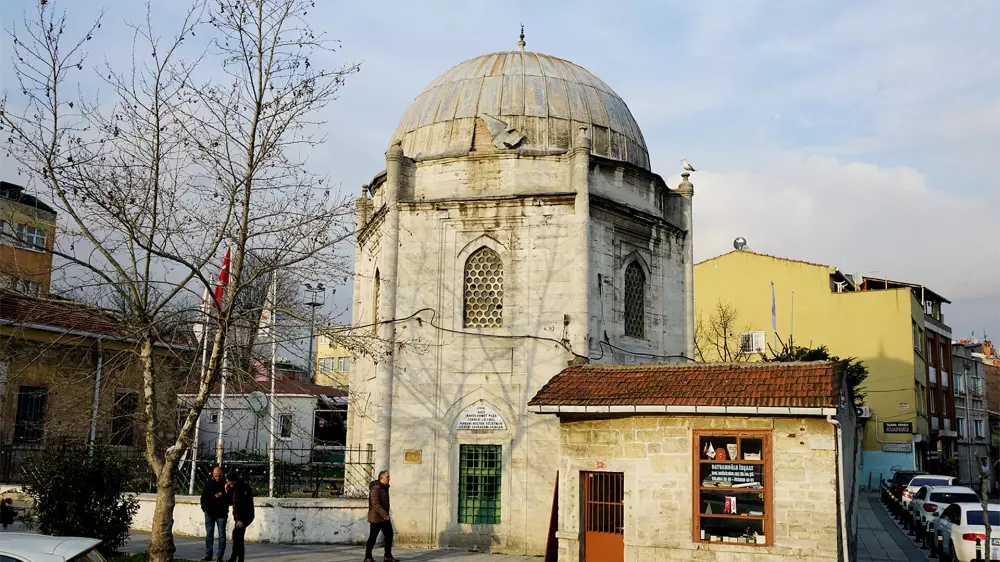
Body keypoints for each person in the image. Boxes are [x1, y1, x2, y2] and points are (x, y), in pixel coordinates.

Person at [365, 470, 397, 562]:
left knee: (389, 535)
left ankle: (388, 556)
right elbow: (375, 504)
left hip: (384, 517)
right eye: (387, 477)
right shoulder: (376, 488)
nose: (389, 478)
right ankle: (368, 557)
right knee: (373, 537)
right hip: (376, 518)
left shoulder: (384, 487)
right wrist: (385, 514)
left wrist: (385, 515)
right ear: (381, 478)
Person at [200, 466, 230, 562]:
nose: (217, 478)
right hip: (209, 512)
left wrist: (225, 492)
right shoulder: (209, 484)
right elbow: (204, 497)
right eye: (215, 476)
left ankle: (219, 556)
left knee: (222, 535)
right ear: (213, 475)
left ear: (222, 475)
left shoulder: (226, 484)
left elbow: (230, 499)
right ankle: (208, 554)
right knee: (209, 534)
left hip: (221, 513)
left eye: (219, 476)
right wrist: (204, 508)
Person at [225, 471, 255, 562]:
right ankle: (233, 558)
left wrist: (239, 519)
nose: (227, 483)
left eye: (228, 481)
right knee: (236, 535)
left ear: (232, 480)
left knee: (238, 538)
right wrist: (228, 490)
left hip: (243, 517)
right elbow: (231, 501)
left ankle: (240, 559)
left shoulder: (239, 489)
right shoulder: (239, 487)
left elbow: (240, 505)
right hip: (246, 516)